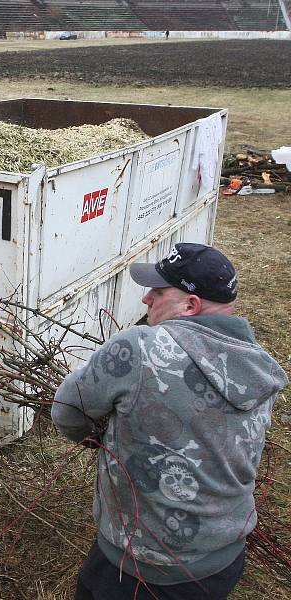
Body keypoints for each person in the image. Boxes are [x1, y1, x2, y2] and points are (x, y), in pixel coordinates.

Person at [51, 243, 288, 600]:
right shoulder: (261, 368)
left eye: (158, 291)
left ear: (189, 306)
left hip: (144, 568)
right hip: (223, 560)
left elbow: (67, 414)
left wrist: (98, 434)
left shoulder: (139, 348)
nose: (146, 299)